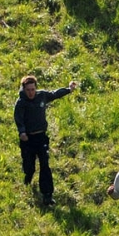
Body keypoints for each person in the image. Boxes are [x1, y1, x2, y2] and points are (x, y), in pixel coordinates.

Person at [13, 75, 79, 206]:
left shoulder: (41, 96)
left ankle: (47, 195)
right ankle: (28, 177)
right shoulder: (21, 102)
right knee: (29, 166)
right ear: (24, 89)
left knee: (45, 165)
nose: (31, 92)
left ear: (36, 88)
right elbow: (18, 118)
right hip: (27, 139)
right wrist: (22, 132)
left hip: (41, 136)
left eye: (33, 89)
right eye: (28, 90)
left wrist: (69, 89)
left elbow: (54, 94)